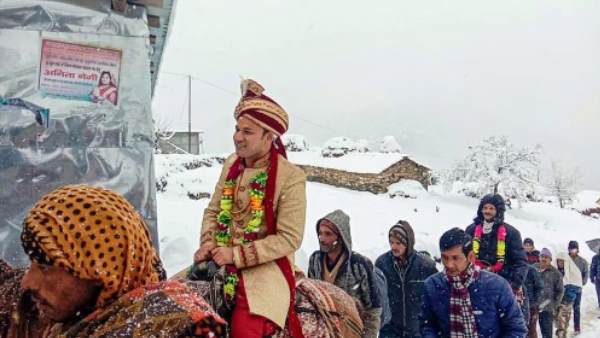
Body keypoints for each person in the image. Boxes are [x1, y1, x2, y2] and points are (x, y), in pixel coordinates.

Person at [0, 184, 226, 337]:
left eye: (45, 267)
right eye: (32, 264)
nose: (28, 282)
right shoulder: (84, 308)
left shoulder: (177, 327)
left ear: (100, 269)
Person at [196, 79, 306, 338]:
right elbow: (213, 211)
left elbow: (290, 238)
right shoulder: (231, 164)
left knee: (246, 331)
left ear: (269, 137)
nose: (237, 137)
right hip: (217, 261)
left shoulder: (291, 177)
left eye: (247, 131)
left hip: (264, 271)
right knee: (174, 309)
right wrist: (208, 242)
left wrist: (237, 256)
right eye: (237, 129)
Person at [419, 227, 527, 338]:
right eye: (445, 258)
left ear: (470, 256)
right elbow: (427, 325)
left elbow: (516, 329)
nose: (449, 264)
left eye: (455, 258)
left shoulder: (497, 286)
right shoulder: (432, 285)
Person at [308, 210, 382, 338]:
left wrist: (368, 335)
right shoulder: (315, 260)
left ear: (340, 237)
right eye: (320, 233)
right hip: (324, 331)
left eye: (328, 234)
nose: (322, 238)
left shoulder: (358, 265)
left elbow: (374, 308)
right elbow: (310, 296)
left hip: (352, 331)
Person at [376, 220, 437, 338]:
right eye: (391, 242)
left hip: (417, 331)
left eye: (398, 243)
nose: (394, 247)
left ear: (408, 243)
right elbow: (376, 297)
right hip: (389, 331)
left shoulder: (425, 265)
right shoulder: (382, 263)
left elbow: (436, 297)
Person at [465, 194, 529, 301]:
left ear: (498, 211)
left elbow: (521, 263)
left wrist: (512, 285)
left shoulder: (511, 233)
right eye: (485, 208)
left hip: (503, 285)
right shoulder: (471, 230)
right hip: (474, 284)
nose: (487, 211)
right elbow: (463, 256)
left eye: (491, 208)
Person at [535, 248, 563, 338]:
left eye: (546, 257)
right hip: (532, 305)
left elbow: (560, 291)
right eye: (542, 256)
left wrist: (554, 305)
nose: (544, 259)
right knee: (529, 331)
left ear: (550, 260)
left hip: (546, 306)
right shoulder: (532, 269)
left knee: (547, 333)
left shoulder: (556, 273)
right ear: (539, 257)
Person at [553, 252, 582, 338]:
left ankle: (562, 335)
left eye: (562, 261)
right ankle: (561, 334)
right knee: (557, 320)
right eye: (558, 261)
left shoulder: (574, 271)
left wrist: (568, 293)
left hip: (567, 300)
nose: (560, 263)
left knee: (563, 320)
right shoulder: (554, 272)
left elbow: (578, 285)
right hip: (557, 300)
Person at [567, 240, 589, 335]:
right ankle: (563, 327)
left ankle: (577, 328)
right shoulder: (565, 260)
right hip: (566, 289)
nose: (572, 250)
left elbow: (585, 274)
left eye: (574, 248)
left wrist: (581, 283)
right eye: (571, 248)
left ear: (577, 249)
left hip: (577, 289)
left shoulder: (582, 261)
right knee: (565, 309)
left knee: (576, 308)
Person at [524, 263, 544, 338]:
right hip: (514, 306)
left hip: (530, 306)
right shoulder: (507, 268)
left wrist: (535, 303)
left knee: (531, 331)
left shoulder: (531, 270)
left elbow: (540, 287)